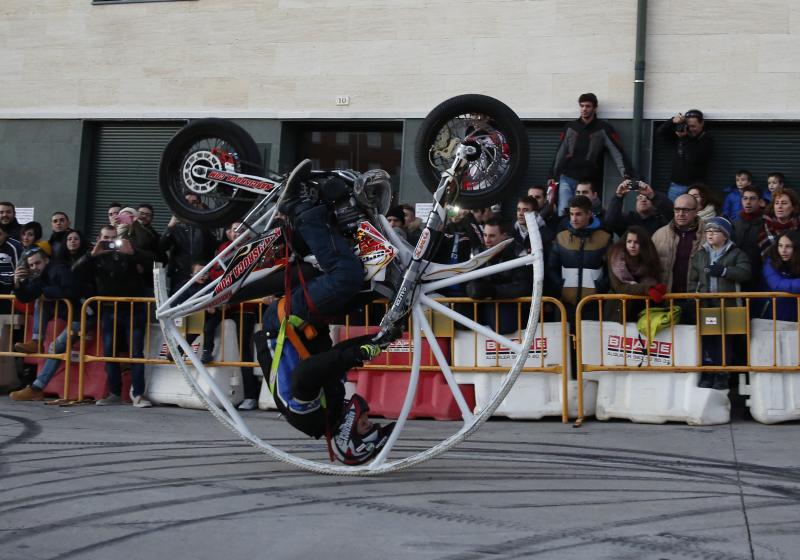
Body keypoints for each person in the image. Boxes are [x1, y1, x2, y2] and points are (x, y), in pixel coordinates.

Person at [252, 160, 394, 465]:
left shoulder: (312, 418)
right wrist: (380, 339)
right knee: (367, 291)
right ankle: (338, 215)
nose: (365, 416)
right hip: (303, 325)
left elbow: (309, 372)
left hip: (286, 323)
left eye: (365, 425)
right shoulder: (332, 406)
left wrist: (358, 352)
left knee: (346, 277)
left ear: (348, 438)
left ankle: (299, 207)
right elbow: (334, 359)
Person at [73, 225, 153, 408]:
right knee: (109, 352)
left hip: (133, 309)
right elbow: (75, 273)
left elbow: (155, 261)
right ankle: (114, 392)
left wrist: (133, 253)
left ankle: (138, 394)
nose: (110, 242)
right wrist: (91, 255)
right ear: (99, 238)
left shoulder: (130, 252)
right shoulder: (95, 256)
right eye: (106, 238)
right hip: (108, 310)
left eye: (114, 238)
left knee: (136, 352)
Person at [9, 247, 82, 401]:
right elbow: (26, 296)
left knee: (55, 348)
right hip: (69, 315)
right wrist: (17, 282)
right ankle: (36, 341)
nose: (35, 267)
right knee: (39, 302)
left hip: (82, 317)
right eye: (32, 265)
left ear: (46, 261)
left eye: (38, 263)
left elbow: (73, 290)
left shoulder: (59, 269)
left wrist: (46, 292)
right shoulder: (40, 277)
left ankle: (37, 387)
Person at [687, 216, 751, 390]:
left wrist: (724, 271)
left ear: (725, 236)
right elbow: (692, 280)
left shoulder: (737, 253)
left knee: (725, 340)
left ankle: (723, 374)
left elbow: (745, 273)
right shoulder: (700, 255)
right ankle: (708, 372)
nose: (710, 234)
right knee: (708, 340)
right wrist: (693, 298)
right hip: (707, 305)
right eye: (708, 231)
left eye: (715, 231)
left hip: (728, 305)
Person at [203, 223, 260, 410]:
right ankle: (196, 351)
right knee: (204, 326)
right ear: (228, 233)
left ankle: (251, 395)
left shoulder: (256, 247)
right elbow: (214, 275)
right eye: (236, 230)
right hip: (223, 305)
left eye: (243, 230)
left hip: (246, 307)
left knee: (245, 351)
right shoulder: (221, 250)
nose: (239, 233)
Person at [550, 93, 633, 217]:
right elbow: (560, 152)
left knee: (589, 213)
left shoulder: (603, 128)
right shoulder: (570, 127)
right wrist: (552, 174)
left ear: (595, 108)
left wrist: (626, 173)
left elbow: (617, 152)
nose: (584, 109)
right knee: (564, 212)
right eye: (582, 106)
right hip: (567, 177)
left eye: (588, 106)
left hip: (589, 181)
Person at [462, 218, 533, 334]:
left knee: (503, 325)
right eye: (485, 235)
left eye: (492, 236)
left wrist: (493, 291)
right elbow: (469, 281)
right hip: (483, 305)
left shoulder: (518, 252)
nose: (487, 240)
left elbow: (523, 286)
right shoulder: (477, 253)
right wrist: (473, 288)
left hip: (511, 305)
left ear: (503, 236)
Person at [547, 195, 612, 320]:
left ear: (589, 214)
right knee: (564, 340)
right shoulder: (561, 238)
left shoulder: (604, 238)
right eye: (571, 214)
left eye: (578, 214)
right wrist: (560, 287)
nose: (574, 219)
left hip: (594, 305)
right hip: (565, 305)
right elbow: (551, 268)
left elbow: (611, 270)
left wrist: (600, 288)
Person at [160, 194, 217, 295]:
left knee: (200, 308)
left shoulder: (205, 227)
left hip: (201, 277)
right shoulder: (175, 227)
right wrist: (170, 227)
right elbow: (161, 247)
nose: (190, 205)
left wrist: (205, 221)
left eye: (194, 202)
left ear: (199, 205)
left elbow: (213, 246)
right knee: (177, 306)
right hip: (180, 276)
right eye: (186, 202)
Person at [606, 226, 665, 323]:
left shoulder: (649, 260)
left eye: (636, 242)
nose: (632, 245)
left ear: (643, 244)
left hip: (642, 313)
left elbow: (654, 279)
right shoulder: (615, 257)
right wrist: (647, 289)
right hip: (619, 313)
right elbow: (619, 287)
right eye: (629, 242)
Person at [652, 193, 706, 293]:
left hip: (697, 299)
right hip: (667, 299)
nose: (680, 214)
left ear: (695, 212)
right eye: (677, 209)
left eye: (686, 210)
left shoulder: (708, 235)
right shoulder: (659, 235)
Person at [656, 109, 714, 201]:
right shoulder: (682, 135)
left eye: (693, 126)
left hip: (696, 188)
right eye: (688, 126)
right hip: (676, 186)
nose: (690, 129)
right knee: (673, 213)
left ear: (702, 124)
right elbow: (660, 132)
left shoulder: (706, 140)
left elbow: (693, 158)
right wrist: (672, 121)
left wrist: (684, 138)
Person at [605, 178, 673, 236]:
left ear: (654, 203)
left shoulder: (660, 221)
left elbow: (673, 215)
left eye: (647, 197)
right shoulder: (628, 219)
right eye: (640, 197)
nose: (643, 199)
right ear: (636, 200)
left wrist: (652, 195)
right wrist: (618, 196)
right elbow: (610, 222)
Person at [761, 230, 800, 321]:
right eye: (780, 246)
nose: (783, 250)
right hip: (770, 318)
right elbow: (777, 284)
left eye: (788, 246)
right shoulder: (770, 262)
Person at [732, 186, 764, 292]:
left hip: (758, 277)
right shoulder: (735, 223)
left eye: (752, 198)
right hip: (737, 275)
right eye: (745, 198)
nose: (748, 202)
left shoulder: (766, 224)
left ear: (760, 202)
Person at [757, 188, 800, 258]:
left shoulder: (798, 226)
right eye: (777, 203)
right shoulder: (763, 225)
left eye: (784, 203)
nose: (779, 206)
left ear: (793, 207)